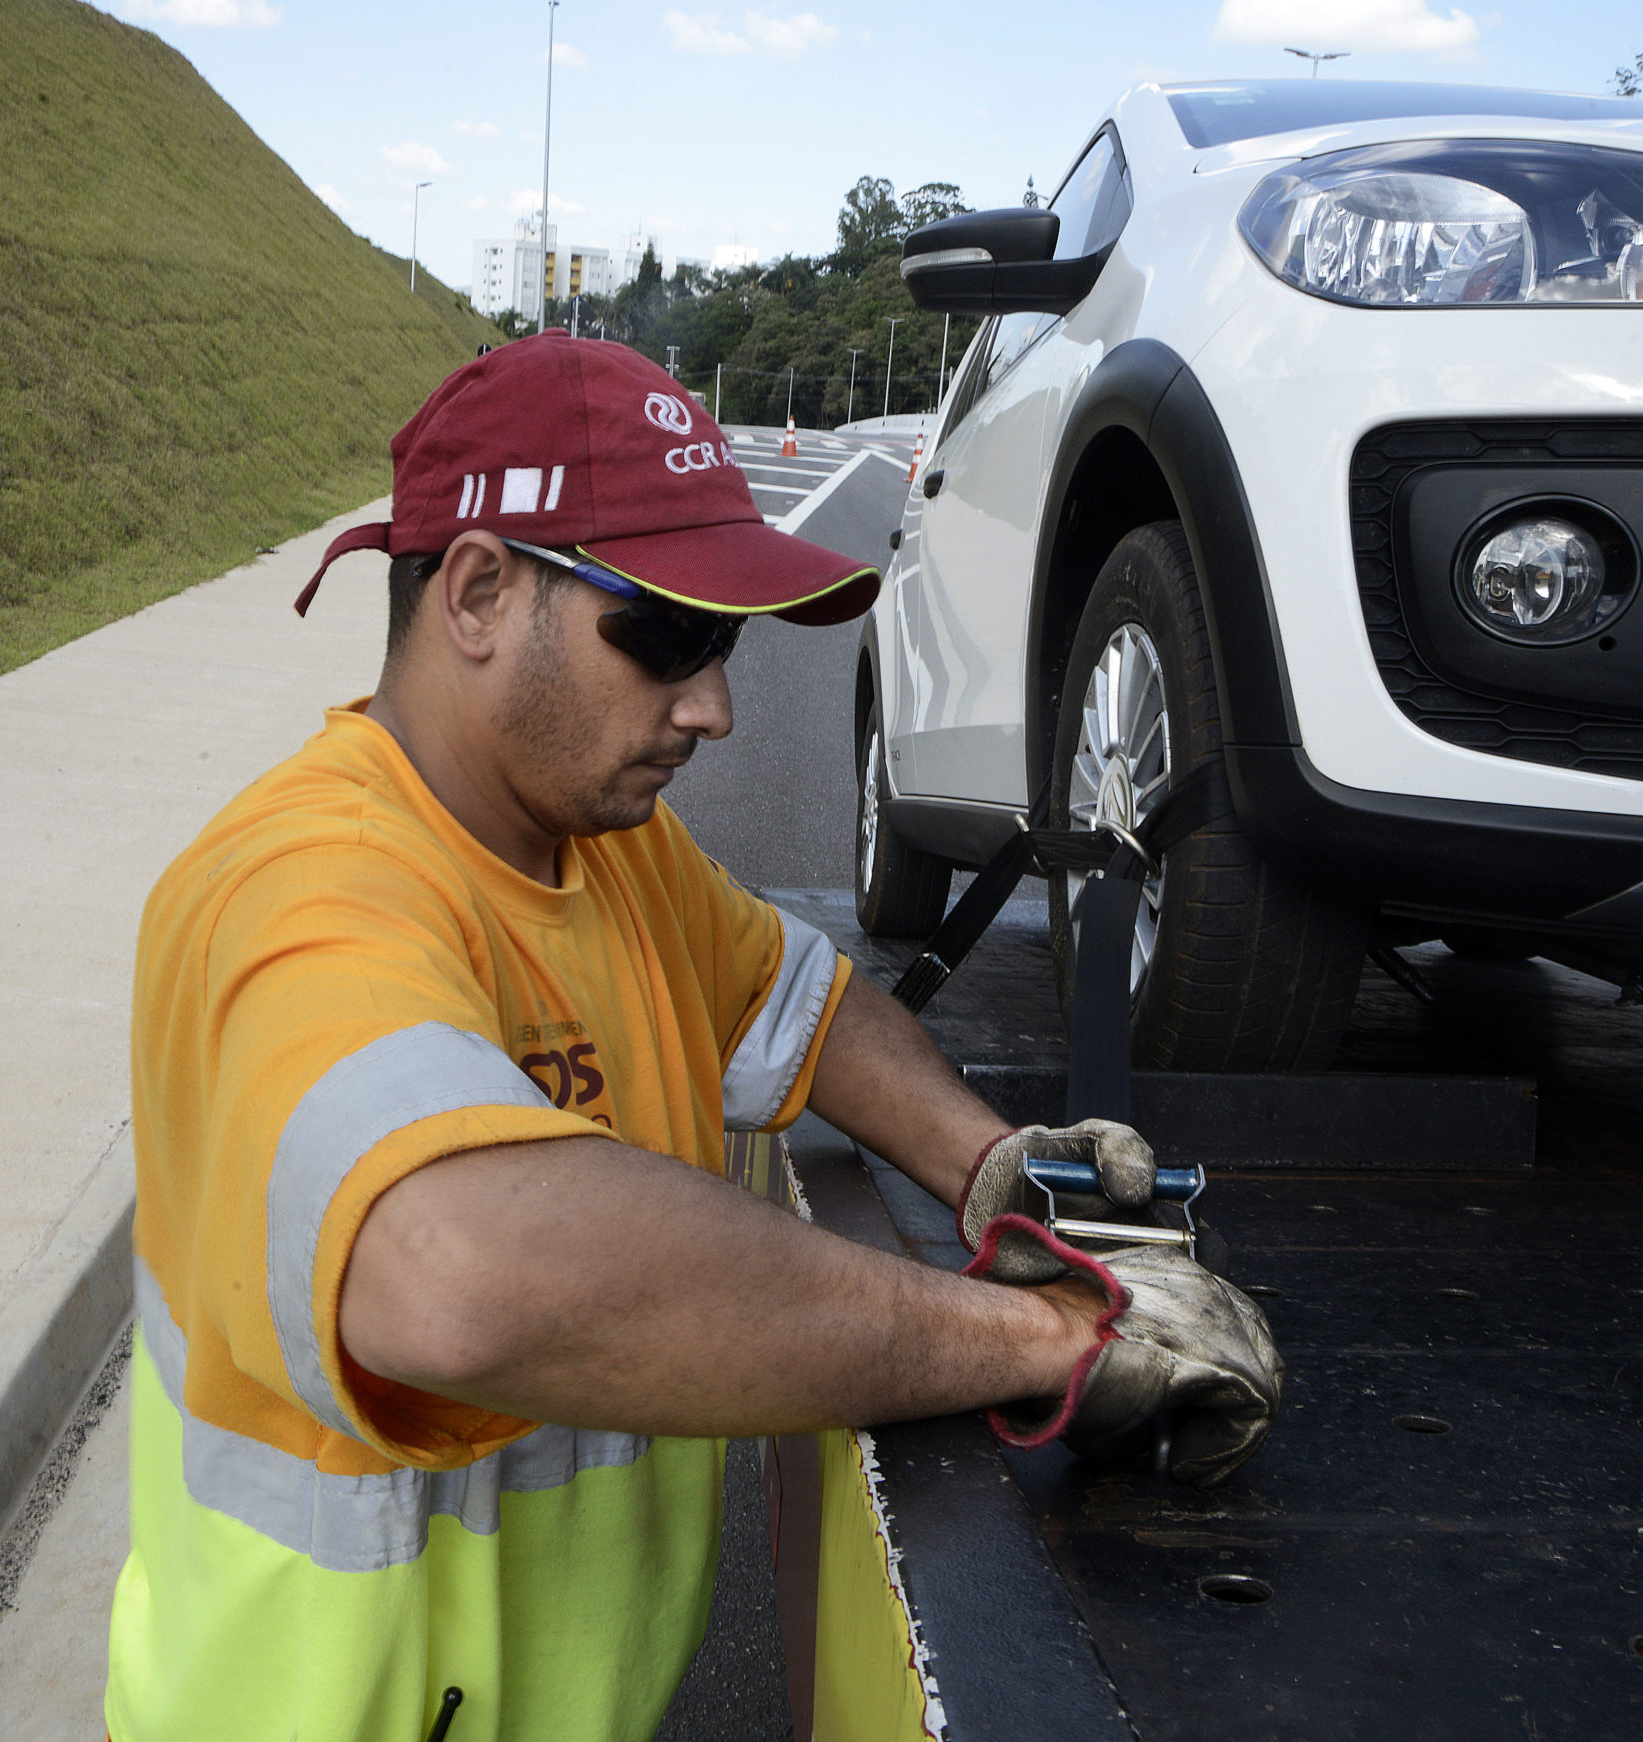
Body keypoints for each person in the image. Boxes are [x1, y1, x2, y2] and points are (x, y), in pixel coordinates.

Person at [107, 332, 1279, 1742]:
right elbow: (455, 1273)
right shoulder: (297, 891)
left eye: (723, 644)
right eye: (665, 636)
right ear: (476, 592)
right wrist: (1041, 1338)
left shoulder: (612, 853)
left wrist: (995, 1169)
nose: (714, 705)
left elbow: (807, 1011)